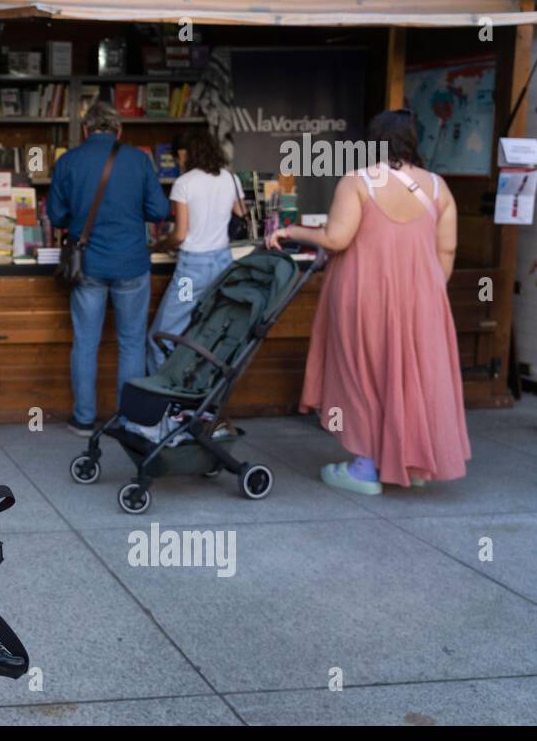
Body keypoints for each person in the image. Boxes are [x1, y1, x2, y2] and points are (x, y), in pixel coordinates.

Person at [267, 109, 471, 493]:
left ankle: (365, 467)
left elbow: (337, 238)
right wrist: (426, 291)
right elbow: (447, 250)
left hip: (362, 295)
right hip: (423, 298)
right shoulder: (438, 187)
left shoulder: (359, 181)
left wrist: (291, 230)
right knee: (412, 377)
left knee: (360, 376)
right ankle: (410, 463)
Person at [48, 101, 170, 436]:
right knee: (131, 342)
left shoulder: (68, 161)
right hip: (131, 263)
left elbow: (57, 216)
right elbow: (159, 209)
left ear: (86, 130)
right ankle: (127, 419)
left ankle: (84, 419)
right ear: (119, 131)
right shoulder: (139, 160)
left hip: (87, 265)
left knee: (85, 341)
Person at [147, 130, 245, 373]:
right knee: (207, 330)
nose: (178, 162)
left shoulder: (184, 183)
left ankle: (163, 395)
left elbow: (180, 235)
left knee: (161, 334)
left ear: (186, 154)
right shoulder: (230, 179)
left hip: (192, 273)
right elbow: (240, 214)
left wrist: (160, 244)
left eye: (179, 156)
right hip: (222, 265)